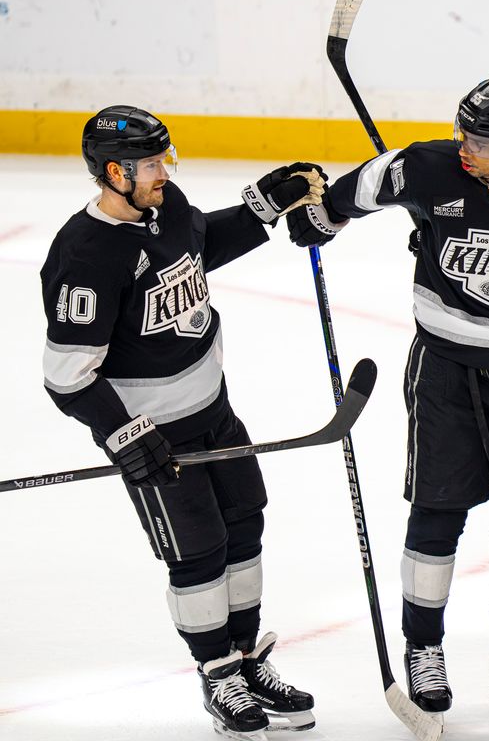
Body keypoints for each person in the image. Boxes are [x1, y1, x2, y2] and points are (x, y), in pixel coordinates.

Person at [285, 75, 489, 715]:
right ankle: (422, 648)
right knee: (438, 510)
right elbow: (346, 198)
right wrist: (318, 219)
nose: (464, 147)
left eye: (479, 141)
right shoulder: (424, 168)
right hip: (448, 374)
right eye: (461, 132)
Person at [42, 105, 326, 740]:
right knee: (197, 552)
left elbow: (199, 247)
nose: (163, 173)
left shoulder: (165, 208)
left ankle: (248, 658)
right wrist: (124, 435)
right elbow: (66, 377)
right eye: (150, 165)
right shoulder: (84, 257)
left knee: (244, 524)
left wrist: (261, 210)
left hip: (216, 414)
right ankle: (217, 671)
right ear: (114, 173)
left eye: (165, 160)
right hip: (157, 435)